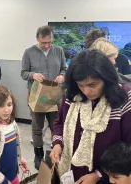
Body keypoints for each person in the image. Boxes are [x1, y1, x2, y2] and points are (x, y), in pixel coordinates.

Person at [50, 49, 131, 184]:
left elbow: (128, 150)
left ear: (106, 78)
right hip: (71, 172)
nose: (86, 91)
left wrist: (99, 175)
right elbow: (60, 123)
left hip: (107, 177)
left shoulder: (124, 99)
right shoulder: (73, 95)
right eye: (81, 85)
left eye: (93, 84)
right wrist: (57, 144)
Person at [20, 25, 67, 170]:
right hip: (36, 96)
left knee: (56, 126)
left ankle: (55, 153)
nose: (46, 46)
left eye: (49, 42)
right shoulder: (28, 52)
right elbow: (23, 73)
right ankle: (38, 154)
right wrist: (32, 75)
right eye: (43, 43)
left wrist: (62, 75)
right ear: (37, 39)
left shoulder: (58, 50)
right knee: (37, 127)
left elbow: (64, 68)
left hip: (54, 96)